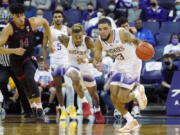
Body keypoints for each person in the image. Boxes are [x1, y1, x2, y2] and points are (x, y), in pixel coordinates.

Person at [0, 3, 54, 120]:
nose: (21, 18)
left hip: (29, 56)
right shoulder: (8, 29)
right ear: (12, 16)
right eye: (18, 16)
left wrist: (51, 41)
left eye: (22, 15)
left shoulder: (31, 22)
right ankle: (33, 104)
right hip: (15, 61)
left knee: (30, 76)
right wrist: (14, 50)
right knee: (24, 85)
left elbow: (45, 22)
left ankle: (39, 107)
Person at [94, 18, 147, 132]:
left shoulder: (121, 33)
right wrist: (97, 64)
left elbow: (137, 41)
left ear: (110, 28)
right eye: (100, 29)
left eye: (105, 29)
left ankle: (137, 92)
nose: (102, 31)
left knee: (122, 98)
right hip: (118, 64)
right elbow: (96, 59)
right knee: (113, 97)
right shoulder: (99, 41)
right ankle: (131, 121)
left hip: (133, 63)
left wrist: (145, 49)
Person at [53, 23, 105, 123]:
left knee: (93, 93)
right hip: (72, 65)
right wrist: (49, 42)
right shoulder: (65, 40)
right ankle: (84, 103)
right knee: (74, 77)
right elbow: (51, 33)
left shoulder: (87, 40)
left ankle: (97, 110)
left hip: (85, 66)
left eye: (80, 37)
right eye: (75, 37)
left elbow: (97, 57)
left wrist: (88, 61)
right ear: (71, 36)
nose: (78, 39)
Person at [49, 10, 76, 120]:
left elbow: (76, 43)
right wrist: (46, 61)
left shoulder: (68, 30)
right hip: (54, 61)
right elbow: (44, 45)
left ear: (62, 18)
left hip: (66, 61)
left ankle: (71, 108)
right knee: (58, 87)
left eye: (59, 16)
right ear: (53, 18)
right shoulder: (49, 30)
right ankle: (62, 109)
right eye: (55, 17)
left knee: (70, 86)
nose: (57, 18)